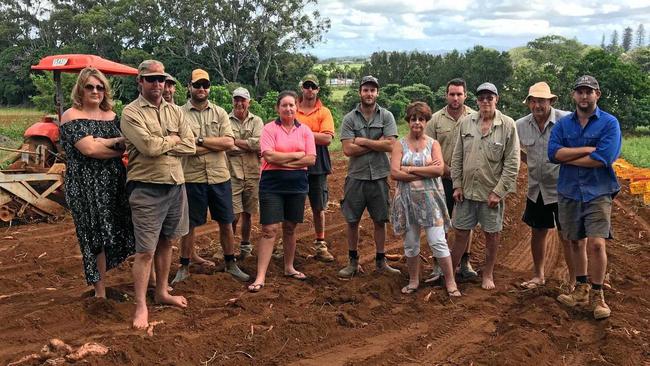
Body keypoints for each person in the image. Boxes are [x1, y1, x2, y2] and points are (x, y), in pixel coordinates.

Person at [121, 60, 196, 329]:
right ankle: (141, 304)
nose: (157, 84)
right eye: (151, 79)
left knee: (167, 242)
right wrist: (172, 139)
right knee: (145, 251)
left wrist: (169, 141)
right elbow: (149, 147)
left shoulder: (175, 111)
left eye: (161, 79)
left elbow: (191, 146)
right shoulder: (131, 113)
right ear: (139, 81)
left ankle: (162, 291)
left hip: (175, 185)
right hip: (146, 188)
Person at [549, 75, 621, 320]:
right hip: (569, 190)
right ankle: (581, 289)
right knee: (575, 241)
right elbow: (553, 154)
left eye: (589, 92)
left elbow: (605, 158)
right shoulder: (563, 125)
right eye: (580, 91)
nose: (584, 96)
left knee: (597, 243)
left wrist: (569, 156)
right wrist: (588, 150)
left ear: (597, 95)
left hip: (598, 192)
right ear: (574, 95)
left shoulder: (610, 123)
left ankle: (598, 294)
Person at [59, 67, 135, 298]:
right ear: (80, 89)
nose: (95, 91)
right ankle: (100, 292)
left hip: (114, 182)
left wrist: (108, 142)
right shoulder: (71, 115)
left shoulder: (112, 116)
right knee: (94, 237)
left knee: (127, 228)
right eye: (90, 86)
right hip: (84, 185)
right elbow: (89, 149)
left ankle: (148, 282)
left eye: (100, 87)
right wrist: (114, 145)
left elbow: (128, 144)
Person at [172, 69, 249, 284]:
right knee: (189, 225)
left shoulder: (220, 113)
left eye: (205, 85)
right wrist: (211, 145)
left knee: (226, 221)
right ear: (189, 87)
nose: (201, 89)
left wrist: (198, 141)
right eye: (197, 85)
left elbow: (228, 142)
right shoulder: (179, 114)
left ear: (209, 88)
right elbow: (182, 146)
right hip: (191, 178)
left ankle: (230, 263)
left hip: (219, 177)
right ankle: (184, 266)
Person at [449, 82, 520, 290]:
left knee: (492, 234)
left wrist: (499, 192)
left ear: (496, 99)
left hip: (491, 193)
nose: (486, 101)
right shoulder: (466, 123)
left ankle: (488, 274)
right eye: (482, 98)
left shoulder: (507, 125)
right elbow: (457, 157)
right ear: (477, 101)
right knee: (461, 233)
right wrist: (457, 185)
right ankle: (451, 272)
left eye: (490, 97)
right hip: (467, 191)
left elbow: (512, 163)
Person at [248, 90, 316, 292]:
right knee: (269, 229)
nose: (288, 108)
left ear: (297, 107)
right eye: (284, 105)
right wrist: (297, 156)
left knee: (290, 228)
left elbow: (311, 159)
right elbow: (269, 157)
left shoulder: (305, 130)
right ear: (277, 108)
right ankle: (260, 276)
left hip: (296, 185)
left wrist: (283, 159)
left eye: (292, 105)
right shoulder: (269, 129)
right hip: (272, 184)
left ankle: (289, 267)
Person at [390, 102, 460, 296]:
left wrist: (410, 169)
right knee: (411, 243)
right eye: (413, 119)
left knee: (437, 241)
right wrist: (425, 170)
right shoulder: (400, 144)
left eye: (421, 119)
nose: (417, 123)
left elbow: (439, 170)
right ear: (408, 121)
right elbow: (395, 173)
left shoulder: (433, 144)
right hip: (407, 201)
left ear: (426, 121)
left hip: (431, 201)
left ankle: (450, 282)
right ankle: (414, 280)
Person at [338, 75, 400, 278]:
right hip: (356, 176)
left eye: (373, 90)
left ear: (377, 93)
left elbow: (391, 145)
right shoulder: (349, 118)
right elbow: (347, 150)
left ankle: (381, 261)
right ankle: (353, 261)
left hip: (380, 176)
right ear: (360, 92)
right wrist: (376, 142)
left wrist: (362, 141)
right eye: (366, 90)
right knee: (352, 220)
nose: (369, 94)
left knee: (380, 220)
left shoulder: (387, 116)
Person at [515, 82, 574, 290]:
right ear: (529, 103)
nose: (537, 105)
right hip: (537, 188)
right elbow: (513, 151)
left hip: (563, 188)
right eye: (533, 101)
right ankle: (538, 275)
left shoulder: (566, 120)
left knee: (566, 235)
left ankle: (574, 281)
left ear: (550, 101)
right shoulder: (520, 125)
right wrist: (528, 161)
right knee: (537, 231)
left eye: (541, 100)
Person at [425, 78, 478, 281]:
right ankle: (438, 264)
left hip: (468, 181)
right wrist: (445, 170)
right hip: (442, 179)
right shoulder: (435, 120)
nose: (455, 98)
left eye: (459, 94)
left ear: (465, 95)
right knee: (440, 222)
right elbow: (427, 148)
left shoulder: (475, 117)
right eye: (452, 94)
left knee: (466, 223)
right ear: (446, 95)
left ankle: (465, 262)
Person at [296, 74, 336, 262]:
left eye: (313, 87)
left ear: (318, 89)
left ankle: (320, 244)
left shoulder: (324, 112)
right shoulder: (292, 108)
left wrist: (300, 133)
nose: (309, 90)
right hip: (294, 163)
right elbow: (284, 131)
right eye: (306, 86)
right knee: (293, 205)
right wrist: (314, 135)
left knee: (318, 207)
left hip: (318, 164)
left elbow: (327, 138)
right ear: (302, 88)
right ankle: (285, 244)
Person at [227, 87, 264, 261]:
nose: (239, 103)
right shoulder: (225, 120)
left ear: (249, 102)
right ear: (233, 100)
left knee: (248, 213)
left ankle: (245, 245)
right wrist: (246, 146)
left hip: (252, 173)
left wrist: (235, 143)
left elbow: (259, 144)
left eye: (243, 100)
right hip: (232, 174)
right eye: (237, 99)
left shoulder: (257, 121)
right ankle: (228, 248)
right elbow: (226, 146)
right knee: (233, 214)